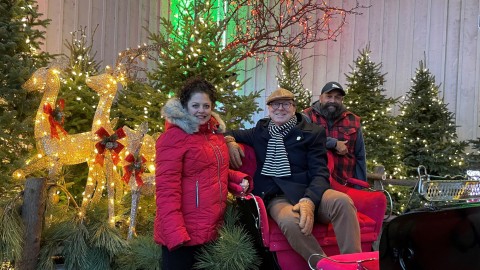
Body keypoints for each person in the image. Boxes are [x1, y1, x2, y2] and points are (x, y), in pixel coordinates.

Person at [226, 88, 361, 266]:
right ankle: (326, 266)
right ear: (269, 108)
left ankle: (354, 264)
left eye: (286, 104)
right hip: (277, 196)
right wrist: (229, 141)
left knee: (342, 201)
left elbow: (320, 172)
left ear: (294, 107)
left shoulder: (312, 132)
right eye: (275, 104)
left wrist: (309, 200)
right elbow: (226, 132)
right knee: (290, 221)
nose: (280, 108)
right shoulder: (261, 130)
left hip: (311, 191)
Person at [154, 77, 251, 270]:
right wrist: (176, 233)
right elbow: (166, 190)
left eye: (206, 105)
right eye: (195, 105)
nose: (201, 110)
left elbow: (211, 172)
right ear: (185, 105)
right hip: (184, 234)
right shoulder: (173, 138)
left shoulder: (214, 136)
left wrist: (238, 179)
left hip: (210, 228)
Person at [302, 81, 367, 183]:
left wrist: (361, 184)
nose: (333, 100)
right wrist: (334, 143)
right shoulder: (307, 116)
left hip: (345, 183)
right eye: (329, 96)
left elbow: (360, 156)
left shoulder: (353, 120)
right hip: (312, 182)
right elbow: (304, 138)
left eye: (337, 97)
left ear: (342, 100)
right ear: (320, 97)